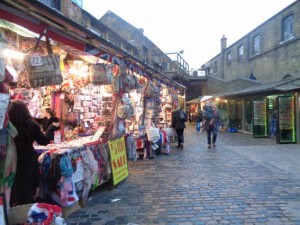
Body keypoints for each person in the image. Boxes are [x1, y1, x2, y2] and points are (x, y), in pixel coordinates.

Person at [8, 100, 50, 206]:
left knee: (14, 187)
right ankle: (27, 213)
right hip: (28, 160)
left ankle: (15, 212)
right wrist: (51, 128)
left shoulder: (8, 127)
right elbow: (44, 141)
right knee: (28, 188)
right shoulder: (31, 125)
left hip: (12, 159)